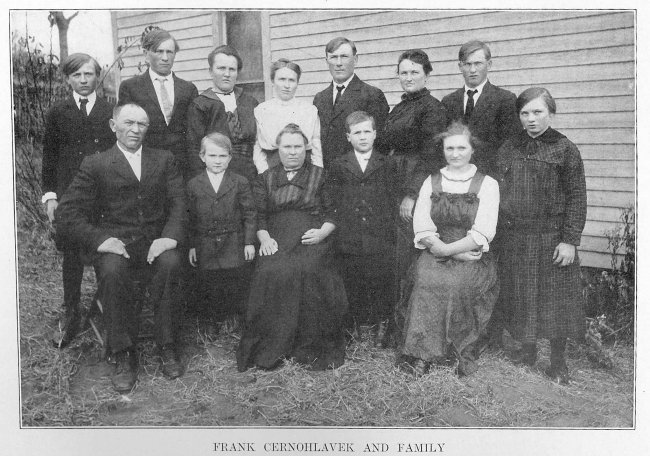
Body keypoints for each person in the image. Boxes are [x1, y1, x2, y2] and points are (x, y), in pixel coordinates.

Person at [55, 103, 187, 393]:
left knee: (171, 262)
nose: (135, 130)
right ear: (114, 126)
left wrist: (169, 237)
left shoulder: (164, 160)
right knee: (113, 272)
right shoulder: (96, 163)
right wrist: (100, 240)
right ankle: (123, 353)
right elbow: (67, 213)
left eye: (141, 124)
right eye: (128, 123)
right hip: (117, 245)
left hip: (155, 242)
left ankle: (167, 344)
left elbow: (179, 204)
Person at [237, 124, 348, 371]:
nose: (293, 152)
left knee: (309, 270)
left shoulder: (321, 175)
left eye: (298, 146)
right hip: (276, 237)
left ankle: (310, 345)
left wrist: (322, 233)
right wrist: (264, 239)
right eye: (287, 147)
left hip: (313, 237)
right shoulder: (264, 179)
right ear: (278, 149)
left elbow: (334, 212)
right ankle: (274, 345)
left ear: (306, 149)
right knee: (271, 272)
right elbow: (259, 215)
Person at [496, 87, 587, 384]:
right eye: (525, 113)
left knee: (555, 301)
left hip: (552, 238)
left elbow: (577, 197)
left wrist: (570, 240)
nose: (531, 119)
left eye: (537, 112)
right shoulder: (509, 147)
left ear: (551, 112)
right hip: (517, 237)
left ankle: (558, 362)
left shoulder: (565, 148)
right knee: (522, 296)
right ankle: (527, 350)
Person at [399, 121, 499, 377]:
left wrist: (452, 250)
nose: (455, 154)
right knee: (426, 280)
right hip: (436, 247)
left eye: (461, 148)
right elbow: (422, 225)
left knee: (456, 284)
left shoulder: (487, 184)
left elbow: (483, 231)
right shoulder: (430, 181)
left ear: (472, 149)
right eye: (449, 148)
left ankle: (450, 350)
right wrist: (445, 251)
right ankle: (421, 353)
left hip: (470, 252)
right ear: (442, 150)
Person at [41, 53, 115, 348]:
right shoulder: (59, 111)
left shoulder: (109, 109)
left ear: (97, 76)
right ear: (67, 78)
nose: (84, 81)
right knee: (72, 254)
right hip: (70, 196)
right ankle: (71, 311)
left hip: (101, 196)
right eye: (77, 75)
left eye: (89, 74)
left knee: (101, 249)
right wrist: (51, 197)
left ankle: (107, 309)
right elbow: (50, 157)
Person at [374, 49, 448, 297]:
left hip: (415, 183)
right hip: (393, 180)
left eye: (414, 72)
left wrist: (411, 194)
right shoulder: (401, 107)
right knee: (394, 250)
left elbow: (432, 157)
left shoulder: (432, 109)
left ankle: (408, 314)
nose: (408, 77)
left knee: (408, 250)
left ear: (427, 75)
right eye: (403, 72)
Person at [327, 111, 397, 344]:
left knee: (380, 279)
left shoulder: (387, 163)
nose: (363, 137)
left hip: (379, 234)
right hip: (350, 234)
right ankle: (355, 323)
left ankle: (381, 323)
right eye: (357, 132)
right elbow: (334, 200)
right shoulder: (339, 165)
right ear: (348, 137)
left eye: (367, 131)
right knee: (353, 279)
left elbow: (391, 200)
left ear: (375, 134)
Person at [187, 133, 256, 338]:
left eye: (222, 156)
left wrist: (249, 242)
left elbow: (250, 213)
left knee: (233, 279)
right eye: (212, 155)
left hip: (233, 241)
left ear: (230, 158)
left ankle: (234, 317)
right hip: (205, 242)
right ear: (202, 157)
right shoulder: (194, 184)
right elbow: (190, 218)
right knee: (209, 282)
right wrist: (192, 245)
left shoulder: (240, 182)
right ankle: (212, 319)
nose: (217, 161)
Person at [118, 28, 198, 179]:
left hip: (182, 168)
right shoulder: (130, 87)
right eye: (159, 51)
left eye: (170, 52)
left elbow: (193, 133)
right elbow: (125, 131)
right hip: (145, 167)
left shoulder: (188, 89)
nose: (165, 58)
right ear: (146, 54)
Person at [441, 40, 520, 177]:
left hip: (490, 175)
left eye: (478, 63)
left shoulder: (505, 99)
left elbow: (511, 144)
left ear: (489, 64)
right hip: (455, 175)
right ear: (460, 66)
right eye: (467, 64)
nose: (472, 70)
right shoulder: (449, 101)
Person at [187, 45, 259, 181]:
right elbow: (194, 149)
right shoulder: (200, 105)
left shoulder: (250, 102)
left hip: (249, 174)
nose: (227, 74)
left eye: (232, 69)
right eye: (221, 68)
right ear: (210, 71)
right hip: (216, 177)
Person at [313, 37, 389, 166]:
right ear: (327, 61)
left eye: (344, 57)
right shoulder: (320, 98)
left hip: (359, 176)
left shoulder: (372, 95)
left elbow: (381, 144)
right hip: (328, 177)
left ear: (355, 59)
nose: (338, 63)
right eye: (333, 57)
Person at [252, 59, 323, 174]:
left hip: (305, 170)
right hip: (271, 170)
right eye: (282, 79)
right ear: (273, 81)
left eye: (291, 80)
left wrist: (316, 175)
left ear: (297, 82)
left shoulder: (309, 110)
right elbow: (258, 147)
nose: (287, 85)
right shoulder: (262, 110)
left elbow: (316, 146)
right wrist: (265, 174)